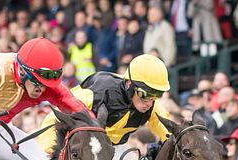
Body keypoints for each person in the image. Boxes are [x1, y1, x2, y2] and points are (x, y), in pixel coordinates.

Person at [39, 54, 172, 150]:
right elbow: (54, 118)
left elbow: (171, 137)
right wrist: (48, 153)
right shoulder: (99, 92)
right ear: (129, 84)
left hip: (113, 148)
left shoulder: (152, 105)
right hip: (78, 146)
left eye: (157, 95)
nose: (149, 103)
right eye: (145, 94)